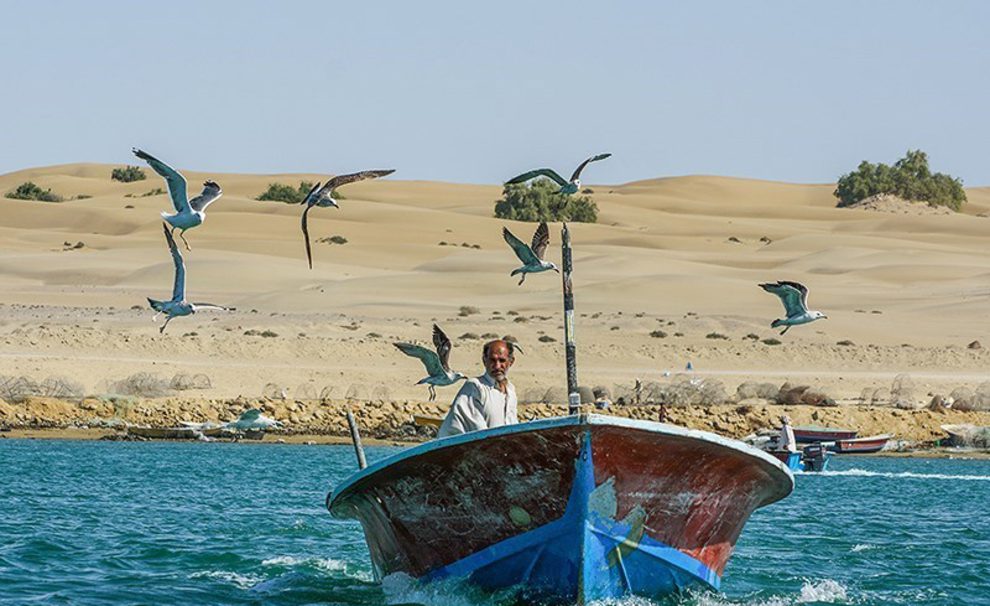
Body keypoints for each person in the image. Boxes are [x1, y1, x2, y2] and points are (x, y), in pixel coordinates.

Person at [437, 339, 519, 438]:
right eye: (492, 360)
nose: (497, 366)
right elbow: (479, 434)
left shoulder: (511, 391)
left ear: (511, 362)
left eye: (502, 360)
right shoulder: (475, 387)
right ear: (484, 361)